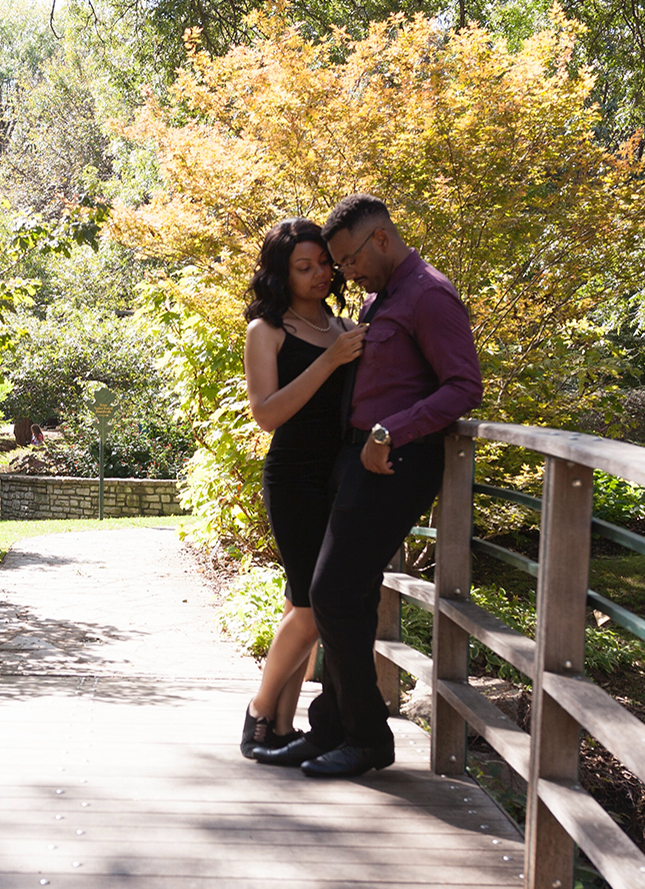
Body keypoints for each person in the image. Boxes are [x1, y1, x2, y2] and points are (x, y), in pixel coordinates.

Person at [254, 194, 483, 777]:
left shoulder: (428, 294)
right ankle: (333, 726)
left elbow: (462, 385)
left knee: (330, 593)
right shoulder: (380, 299)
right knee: (345, 597)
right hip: (355, 462)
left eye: (348, 259)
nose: (343, 273)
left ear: (379, 239)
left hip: (394, 462)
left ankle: (368, 738)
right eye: (334, 263)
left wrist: (390, 431)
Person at [238, 218, 367, 757]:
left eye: (323, 264)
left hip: (337, 477)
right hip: (292, 477)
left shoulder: (341, 327)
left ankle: (284, 729)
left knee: (305, 603)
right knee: (313, 605)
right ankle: (258, 712)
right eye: (303, 267)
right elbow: (266, 415)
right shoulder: (266, 331)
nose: (319, 274)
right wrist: (329, 362)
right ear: (281, 274)